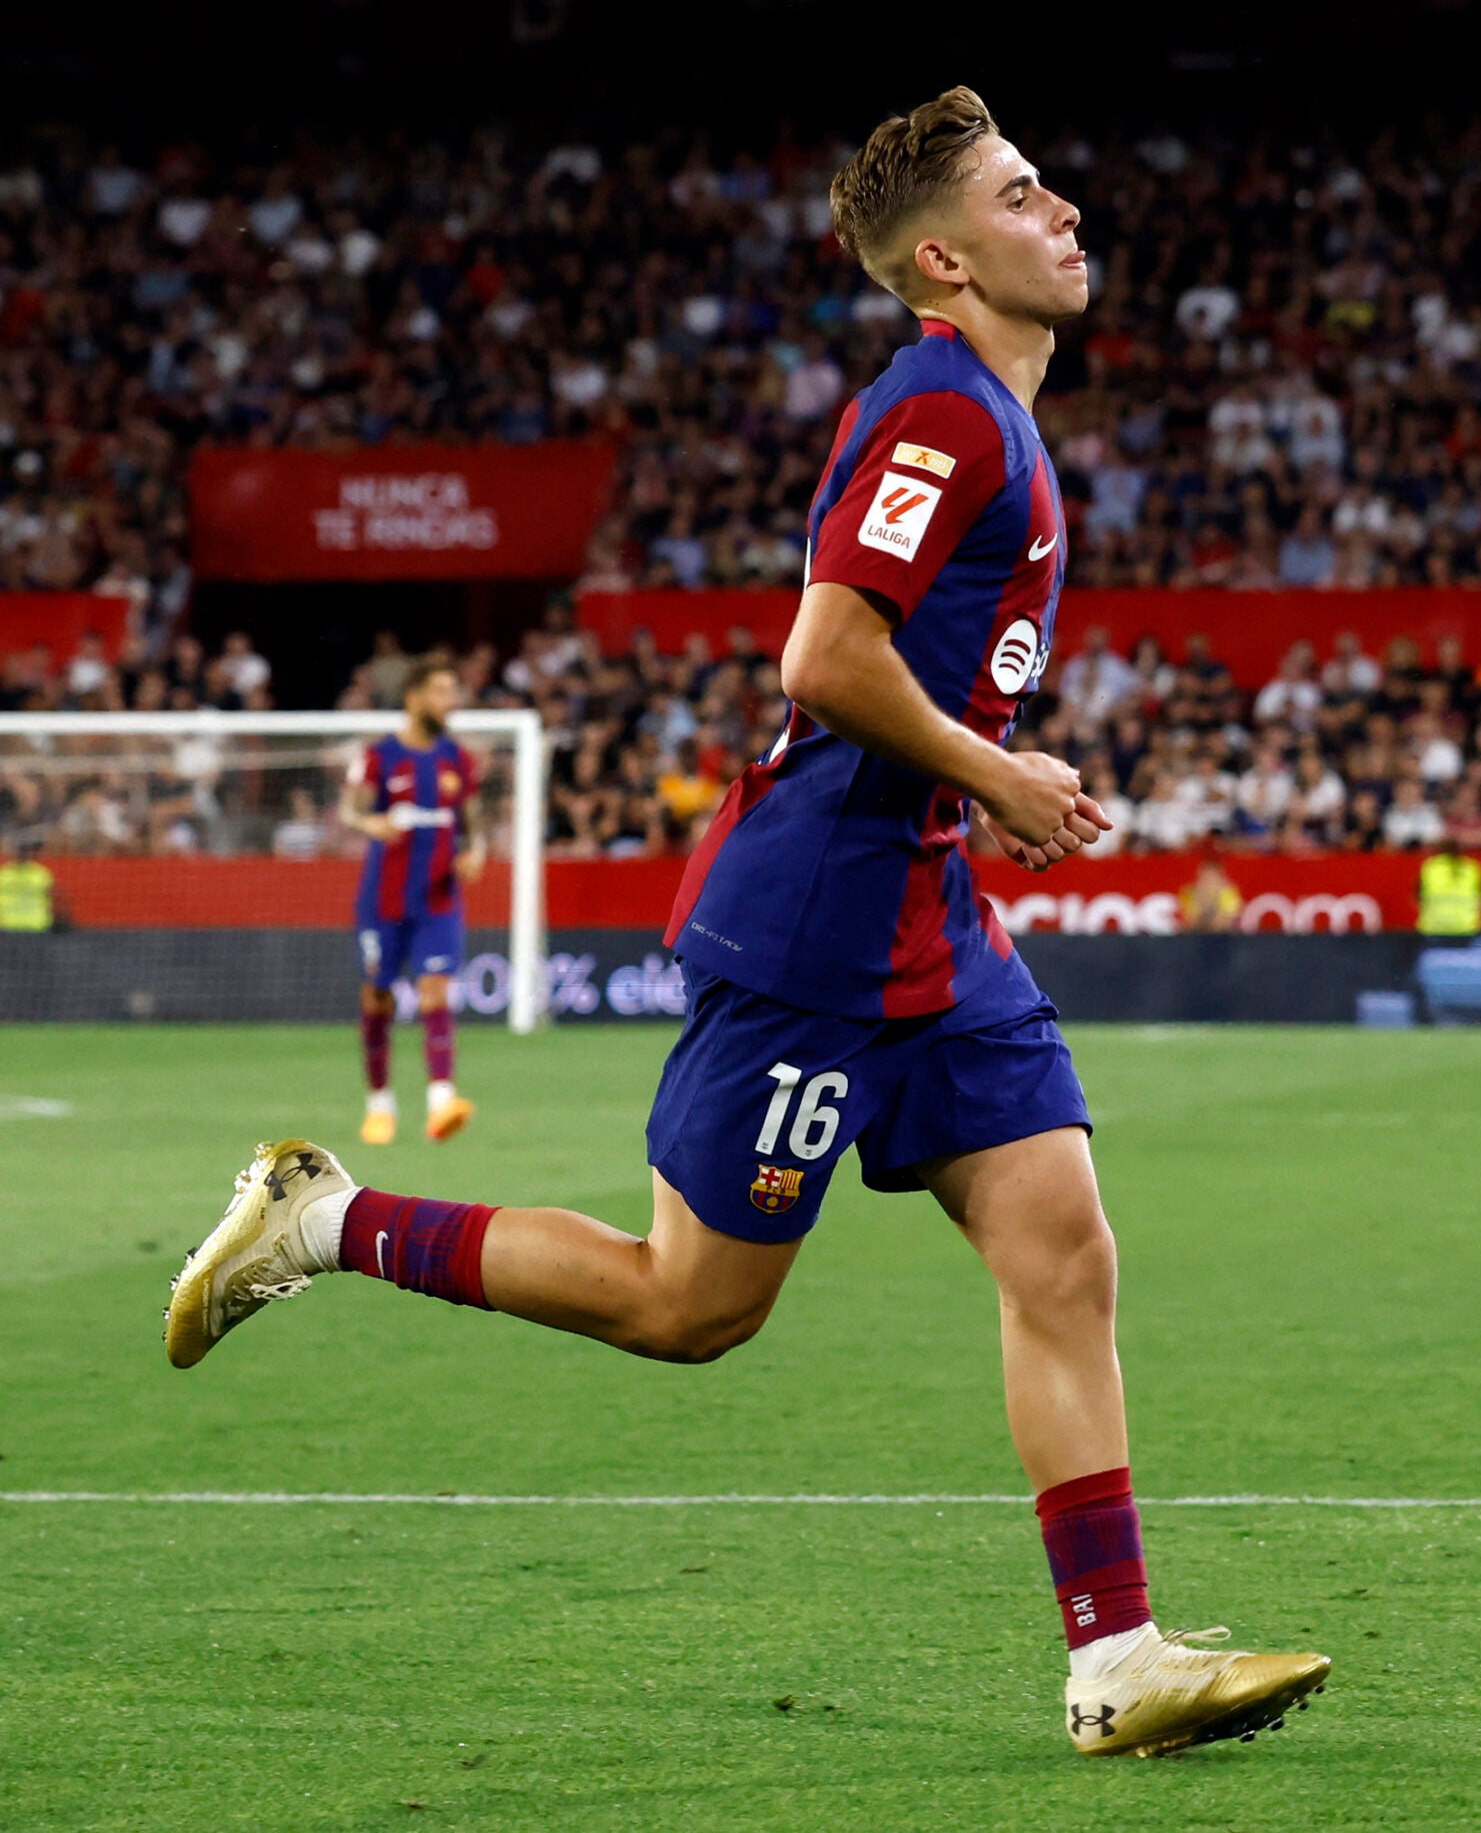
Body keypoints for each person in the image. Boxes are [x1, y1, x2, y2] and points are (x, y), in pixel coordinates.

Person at [165, 86, 1327, 1762]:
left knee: (1064, 1249)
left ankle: (1119, 1656)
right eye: (1020, 194)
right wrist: (995, 770)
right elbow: (826, 655)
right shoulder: (944, 414)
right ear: (946, 260)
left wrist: (977, 791)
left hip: (928, 908)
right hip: (821, 918)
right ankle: (325, 1220)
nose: (1064, 209)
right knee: (690, 1306)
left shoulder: (997, 414)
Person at [341, 656, 485, 1145]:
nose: (450, 701)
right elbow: (350, 810)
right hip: (383, 901)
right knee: (377, 997)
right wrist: (370, 822)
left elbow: (473, 822)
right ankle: (379, 1104)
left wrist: (475, 852)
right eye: (441, 691)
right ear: (414, 697)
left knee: (435, 991)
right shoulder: (380, 756)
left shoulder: (457, 759)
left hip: (439, 899)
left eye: (452, 692)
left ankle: (442, 1101)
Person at [1416, 835, 1481, 936]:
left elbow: (1417, 896)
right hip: (1466, 927)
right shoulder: (1472, 868)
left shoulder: (1430, 867)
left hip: (1434, 926)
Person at [0, 835, 54, 932]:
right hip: (8, 926)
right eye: (20, 851)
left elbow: (50, 896)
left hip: (36, 926)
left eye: (25, 851)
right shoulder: (3, 874)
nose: (22, 854)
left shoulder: (41, 874)